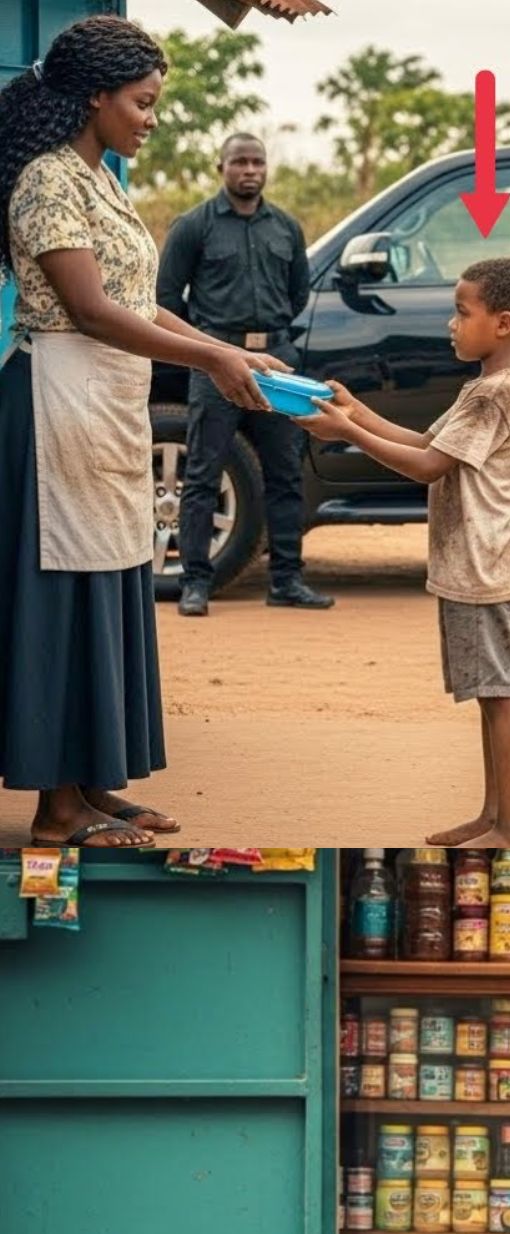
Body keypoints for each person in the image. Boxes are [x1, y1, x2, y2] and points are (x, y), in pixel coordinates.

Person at [0, 16, 281, 848]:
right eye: (142, 102)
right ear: (95, 97)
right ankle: (54, 812)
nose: (152, 117)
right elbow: (87, 309)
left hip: (101, 405)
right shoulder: (48, 180)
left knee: (107, 582)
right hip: (54, 402)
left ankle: (88, 787)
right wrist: (207, 362)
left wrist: (218, 350)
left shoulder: (101, 178)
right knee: (60, 598)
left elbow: (129, 302)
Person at [295, 258, 510, 850]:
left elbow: (428, 466)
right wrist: (356, 411)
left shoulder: (494, 395)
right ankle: (493, 816)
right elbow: (431, 443)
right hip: (475, 564)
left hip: (487, 566)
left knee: (500, 693)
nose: (452, 325)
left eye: (463, 313)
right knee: (489, 694)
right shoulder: (484, 389)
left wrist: (349, 435)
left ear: (505, 323)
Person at [158, 132, 333, 616]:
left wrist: (268, 339)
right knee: (203, 471)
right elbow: (168, 297)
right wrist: (207, 349)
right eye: (239, 162)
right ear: (221, 167)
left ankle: (287, 581)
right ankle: (196, 582)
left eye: (257, 162)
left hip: (275, 362)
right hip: (216, 361)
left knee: (285, 472)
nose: (249, 170)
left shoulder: (286, 228)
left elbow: (298, 294)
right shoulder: (194, 226)